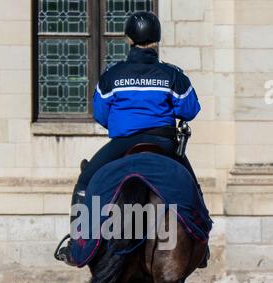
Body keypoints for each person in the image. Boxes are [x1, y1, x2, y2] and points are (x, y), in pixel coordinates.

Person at [58, 11, 209, 267]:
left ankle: (77, 244)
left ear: (128, 39)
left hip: (122, 144)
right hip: (163, 144)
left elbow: (101, 114)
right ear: (157, 40)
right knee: (192, 187)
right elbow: (190, 110)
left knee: (85, 182)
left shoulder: (112, 75)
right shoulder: (173, 75)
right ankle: (201, 246)